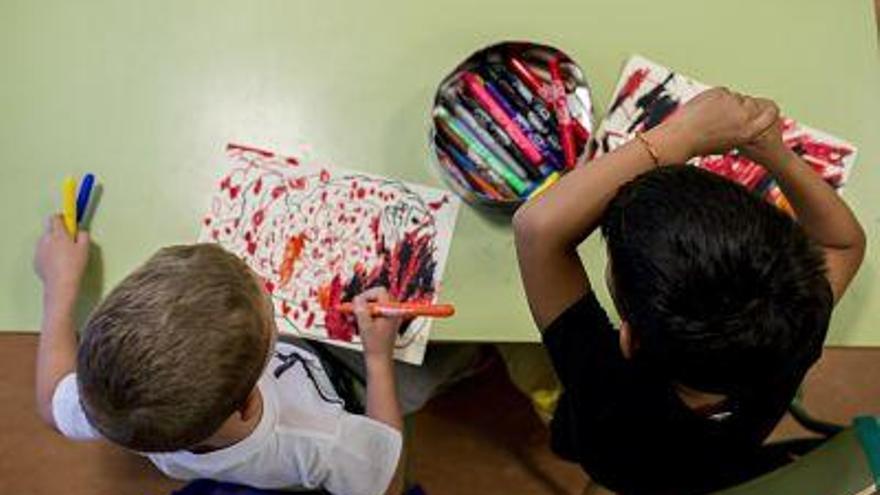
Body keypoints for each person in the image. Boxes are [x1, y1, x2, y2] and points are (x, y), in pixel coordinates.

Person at [512, 88, 865, 494]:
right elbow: (843, 244)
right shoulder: (793, 325)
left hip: (616, 462)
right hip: (719, 465)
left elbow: (537, 230)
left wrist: (682, 135)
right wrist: (775, 154)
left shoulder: (606, 389)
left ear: (629, 338)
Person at [33, 238, 474, 494]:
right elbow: (388, 480)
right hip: (348, 386)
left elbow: (51, 398)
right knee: (438, 366)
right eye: (270, 311)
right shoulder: (316, 440)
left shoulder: (109, 404)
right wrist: (379, 360)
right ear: (247, 402)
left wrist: (59, 286)